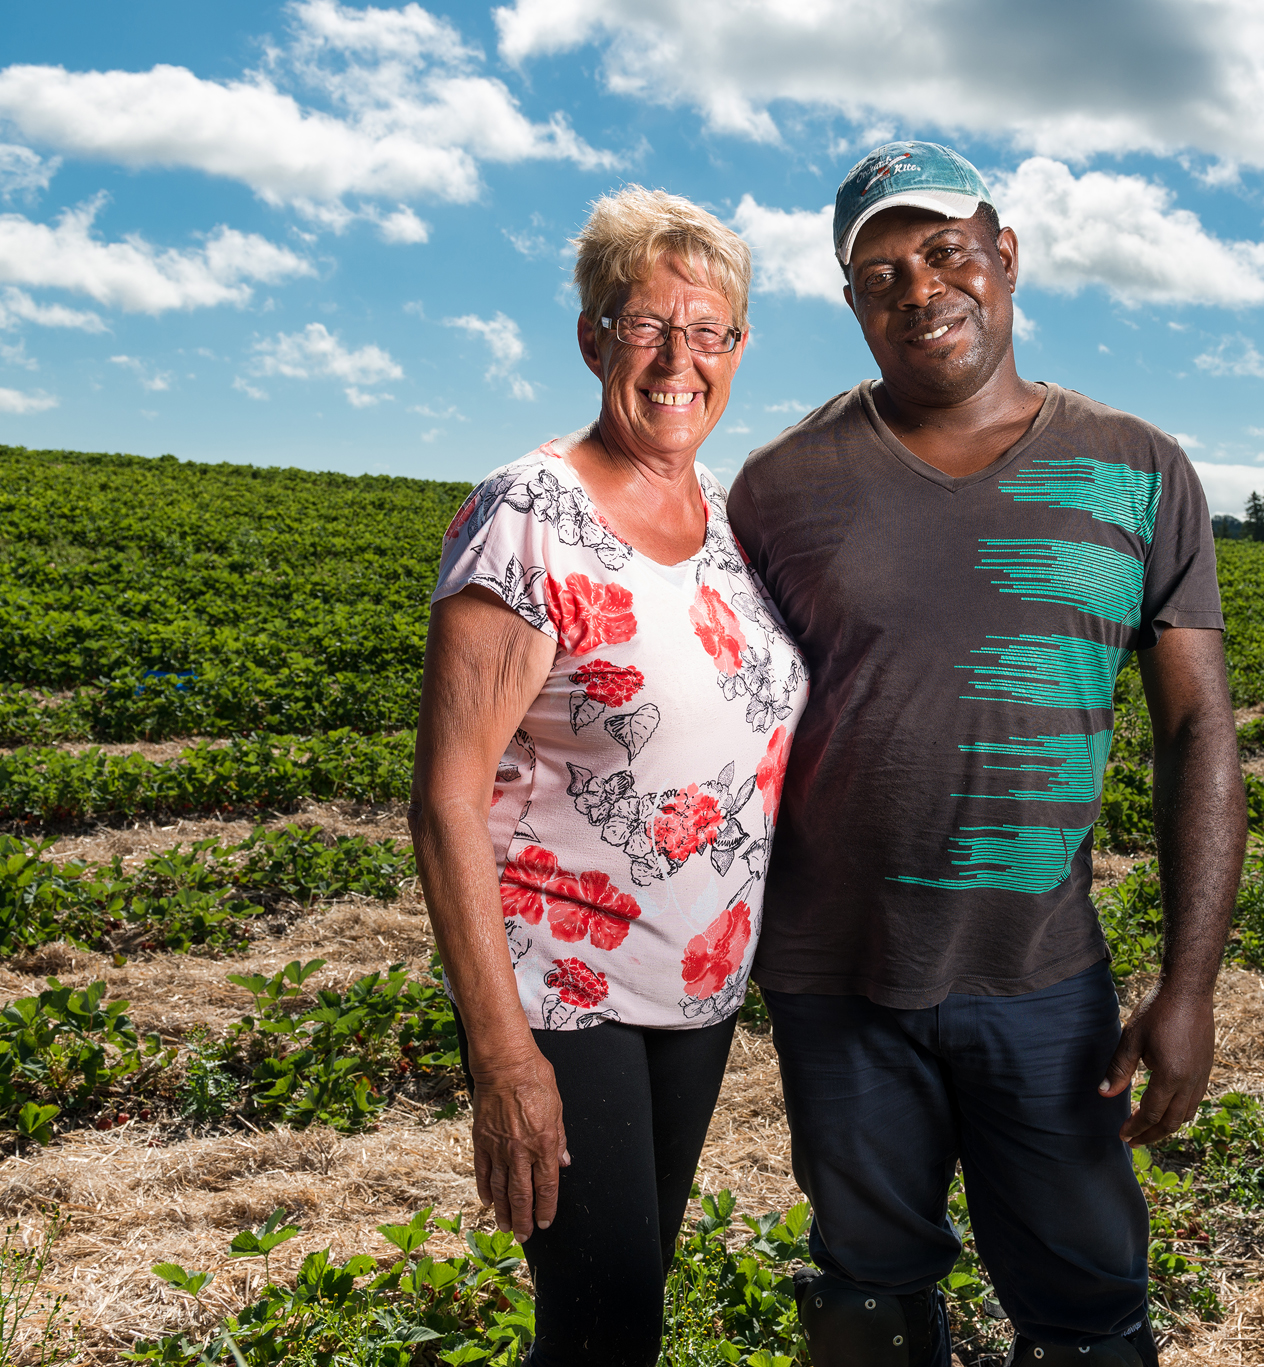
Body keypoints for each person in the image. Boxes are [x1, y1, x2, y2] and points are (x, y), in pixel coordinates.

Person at [727, 142, 1246, 1367]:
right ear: (852, 306)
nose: (919, 288)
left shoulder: (1136, 467)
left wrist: (1189, 985)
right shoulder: (778, 486)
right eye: (879, 273)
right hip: (833, 979)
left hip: (1040, 979)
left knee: (1086, 1313)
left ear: (1003, 259)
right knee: (867, 1304)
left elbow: (1196, 730)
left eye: (945, 251)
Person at [411, 186, 808, 1367]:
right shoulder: (529, 513)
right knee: (607, 1321)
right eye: (646, 324)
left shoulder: (726, 519)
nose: (679, 356)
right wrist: (501, 1055)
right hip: (562, 983)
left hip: (693, 984)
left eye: (710, 330)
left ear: (737, 350)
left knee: (612, 1312)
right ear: (593, 337)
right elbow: (443, 799)